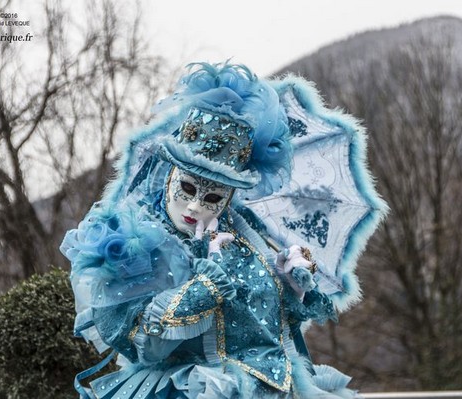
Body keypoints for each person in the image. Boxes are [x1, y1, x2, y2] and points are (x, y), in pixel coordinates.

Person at [61, 62, 360, 398]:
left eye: (214, 196)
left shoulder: (246, 233)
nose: (195, 207)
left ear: (231, 195)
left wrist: (292, 287)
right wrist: (206, 285)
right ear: (171, 174)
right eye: (188, 188)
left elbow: (260, 321)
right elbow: (142, 343)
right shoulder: (140, 244)